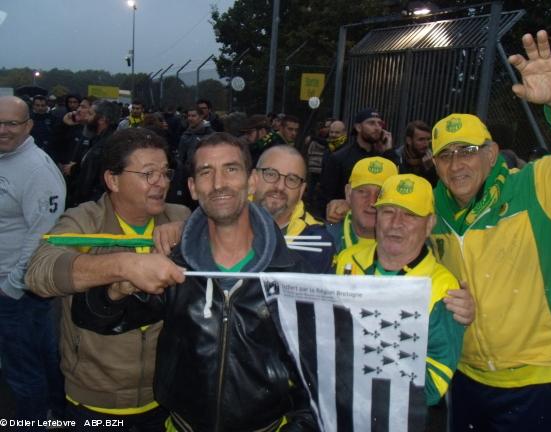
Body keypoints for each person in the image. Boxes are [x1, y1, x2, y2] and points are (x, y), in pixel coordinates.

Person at [428, 30, 551, 432]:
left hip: (537, 376)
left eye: (467, 150)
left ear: (490, 154)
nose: (456, 164)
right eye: (445, 155)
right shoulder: (434, 211)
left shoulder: (539, 187)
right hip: (464, 373)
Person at [70, 133, 317, 431]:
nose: (218, 183)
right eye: (205, 172)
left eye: (231, 169)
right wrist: (119, 287)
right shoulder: (176, 265)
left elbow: (317, 376)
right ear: (192, 188)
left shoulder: (294, 274)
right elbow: (97, 318)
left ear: (251, 182)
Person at [26, 128, 190, 431]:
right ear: (112, 180)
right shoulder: (84, 221)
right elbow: (39, 272)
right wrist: (123, 265)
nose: (161, 183)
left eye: (165, 173)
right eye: (148, 174)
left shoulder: (179, 215)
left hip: (167, 396)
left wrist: (190, 228)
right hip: (94, 403)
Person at [335, 174, 464, 410]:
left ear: (430, 223)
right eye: (387, 212)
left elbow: (433, 385)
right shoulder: (348, 260)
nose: (396, 223)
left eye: (410, 214)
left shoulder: (443, 287)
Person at [0, 95, 66, 426]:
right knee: (42, 359)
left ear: (28, 126)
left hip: (18, 291)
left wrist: (12, 287)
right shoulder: (5, 157)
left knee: (23, 373)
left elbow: (43, 235)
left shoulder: (37, 170)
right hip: (13, 290)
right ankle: (57, 415)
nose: (2, 130)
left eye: (11, 123)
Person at [254, 145, 335, 273]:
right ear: (253, 178)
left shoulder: (316, 242)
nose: (280, 187)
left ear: (301, 190)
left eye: (292, 179)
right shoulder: (225, 221)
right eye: (271, 174)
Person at [319, 108, 398, 213]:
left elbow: (396, 184)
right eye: (371, 123)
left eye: (380, 124)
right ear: (358, 127)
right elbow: (327, 198)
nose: (377, 128)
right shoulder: (339, 158)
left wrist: (389, 151)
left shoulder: (384, 157)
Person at [327, 156, 399, 253]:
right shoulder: (324, 240)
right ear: (348, 194)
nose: (372, 202)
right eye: (362, 191)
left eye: (381, 194)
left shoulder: (411, 246)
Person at [396, 120, 438, 185]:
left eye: (428, 139)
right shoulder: (397, 158)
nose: (426, 144)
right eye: (421, 139)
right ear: (409, 140)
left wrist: (430, 169)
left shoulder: (432, 159)